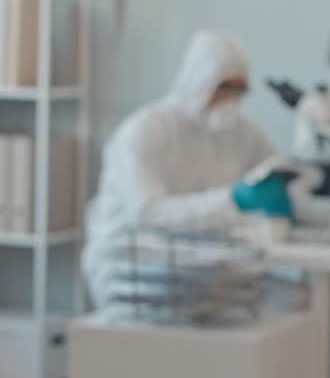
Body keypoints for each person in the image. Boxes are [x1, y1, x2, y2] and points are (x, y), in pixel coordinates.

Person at [83, 31, 302, 308]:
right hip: (131, 270)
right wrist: (231, 200)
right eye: (225, 88)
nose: (231, 100)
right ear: (200, 81)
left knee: (288, 301)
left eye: (240, 90)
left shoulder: (239, 130)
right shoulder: (145, 132)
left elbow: (280, 166)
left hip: (196, 264)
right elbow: (148, 212)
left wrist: (287, 188)